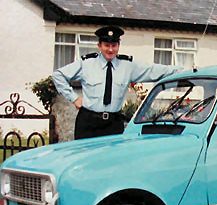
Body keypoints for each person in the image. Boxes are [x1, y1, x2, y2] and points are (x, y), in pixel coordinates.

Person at [53, 26, 181, 139]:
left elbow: (154, 71)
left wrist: (182, 70)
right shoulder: (86, 64)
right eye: (106, 45)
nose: (110, 50)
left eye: (114, 45)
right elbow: (58, 75)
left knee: (112, 163)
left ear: (118, 46)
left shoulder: (128, 66)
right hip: (88, 123)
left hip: (113, 124)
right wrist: (74, 98)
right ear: (99, 46)